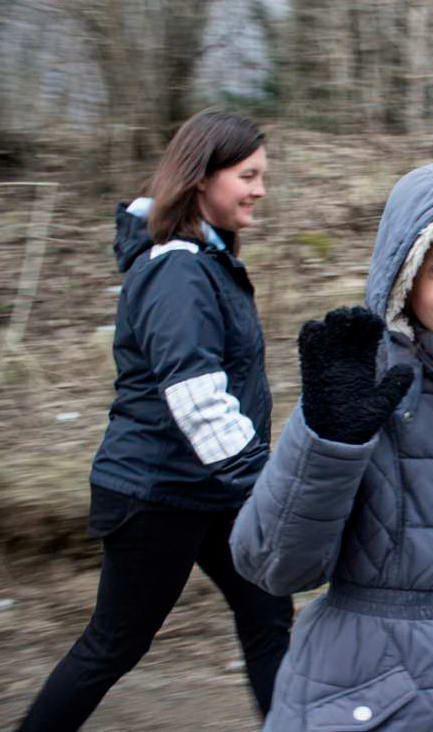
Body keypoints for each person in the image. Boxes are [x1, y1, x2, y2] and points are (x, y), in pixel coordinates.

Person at [230, 161, 433, 732]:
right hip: (353, 704)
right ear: (406, 275)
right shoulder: (360, 387)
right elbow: (272, 566)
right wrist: (328, 442)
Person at [18, 110, 293, 731]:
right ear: (201, 177)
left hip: (211, 489)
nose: (260, 190)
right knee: (114, 644)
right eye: (248, 176)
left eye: (262, 176)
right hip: (156, 493)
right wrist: (267, 484)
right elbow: (195, 395)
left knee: (268, 618)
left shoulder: (206, 260)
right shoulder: (176, 268)